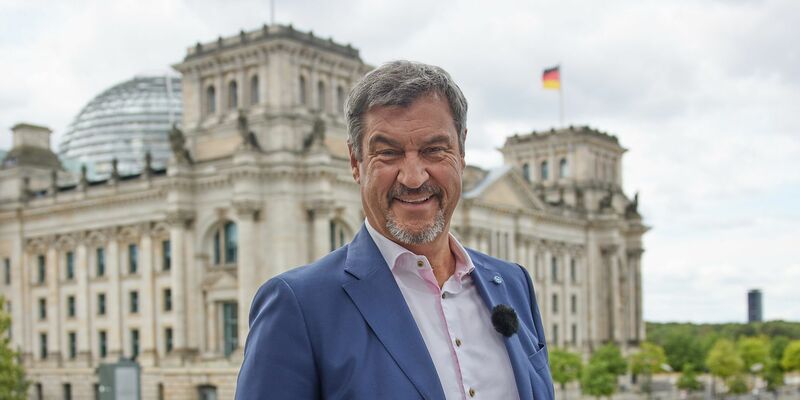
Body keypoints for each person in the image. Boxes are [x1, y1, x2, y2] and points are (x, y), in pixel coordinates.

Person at [235, 61, 554, 400]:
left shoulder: (513, 283)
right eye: (388, 153)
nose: (413, 178)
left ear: (461, 153)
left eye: (434, 150)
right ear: (356, 163)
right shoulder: (298, 305)